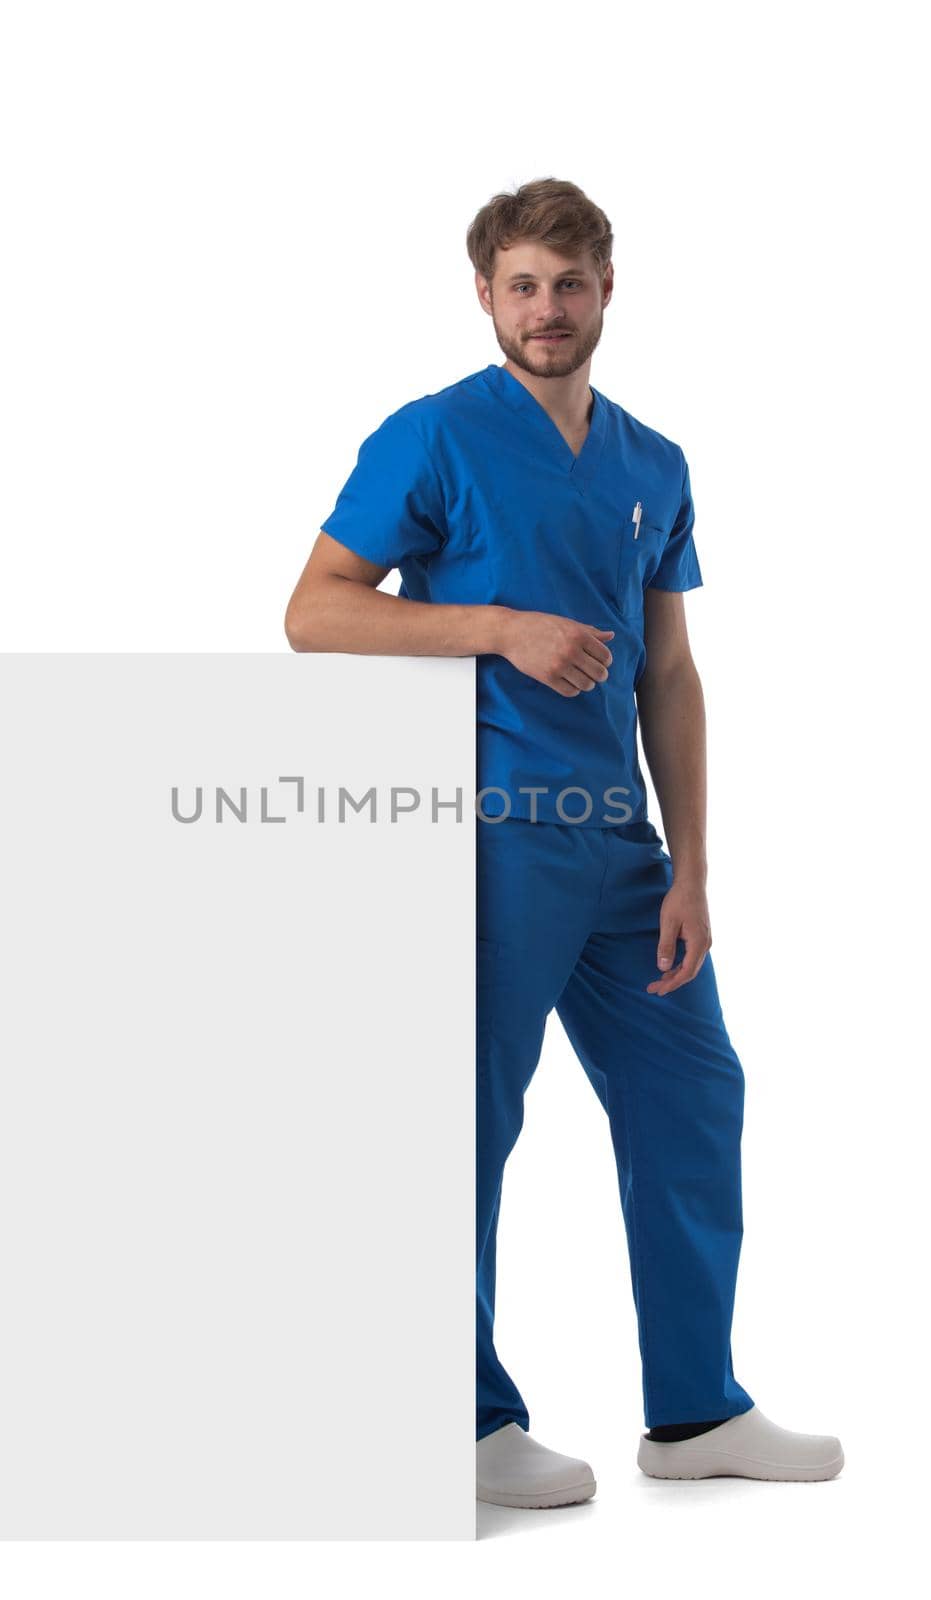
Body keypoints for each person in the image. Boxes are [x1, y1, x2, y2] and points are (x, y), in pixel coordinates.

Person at [284, 177, 843, 1506]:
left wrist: (694, 862)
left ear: (607, 292)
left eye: (571, 284)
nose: (548, 310)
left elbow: (670, 673)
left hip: (623, 855)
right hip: (493, 835)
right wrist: (497, 627)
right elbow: (314, 611)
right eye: (523, 285)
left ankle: (697, 1411)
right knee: (467, 1129)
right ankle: (463, 1424)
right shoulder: (432, 439)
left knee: (694, 1097)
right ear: (484, 293)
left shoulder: (656, 463)